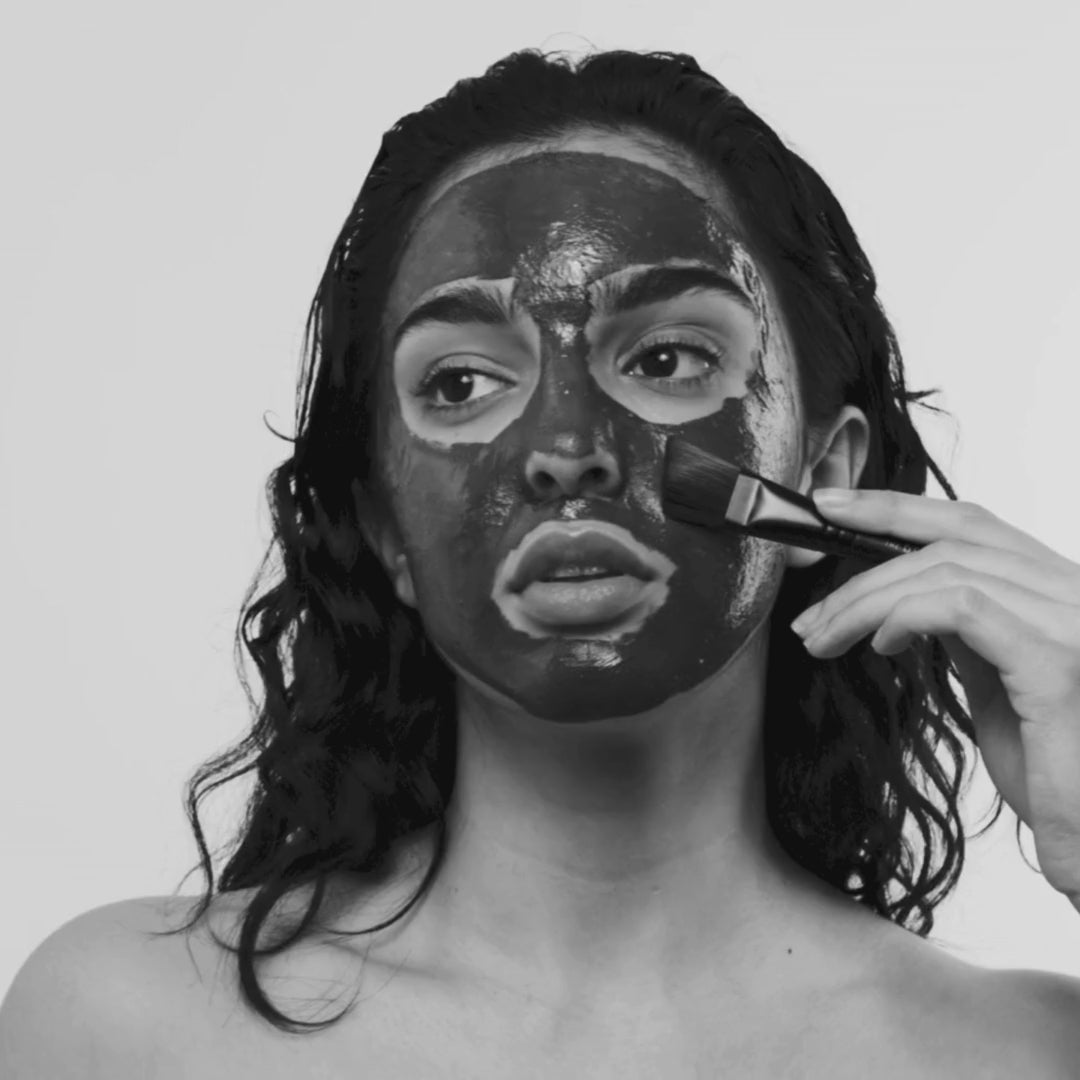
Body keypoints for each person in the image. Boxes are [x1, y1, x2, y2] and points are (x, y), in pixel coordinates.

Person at [4, 47, 1080, 1077]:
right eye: (464, 383)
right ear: (385, 527)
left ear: (824, 480)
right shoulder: (125, 1027)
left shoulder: (1026, 1054)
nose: (568, 453)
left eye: (666, 359)